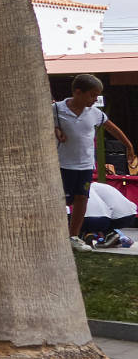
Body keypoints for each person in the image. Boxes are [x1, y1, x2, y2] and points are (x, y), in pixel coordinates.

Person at [56, 74, 136, 251]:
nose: (94, 99)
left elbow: (113, 129)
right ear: (78, 92)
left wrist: (129, 146)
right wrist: (56, 129)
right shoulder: (57, 109)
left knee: (81, 199)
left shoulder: (95, 113)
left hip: (84, 165)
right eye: (92, 95)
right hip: (62, 165)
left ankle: (73, 236)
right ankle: (54, 235)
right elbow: (42, 123)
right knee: (60, 200)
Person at [83, 180, 137, 249]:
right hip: (131, 215)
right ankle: (111, 236)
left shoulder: (86, 188)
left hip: (106, 218)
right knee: (100, 219)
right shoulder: (99, 185)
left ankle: (90, 234)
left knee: (94, 219)